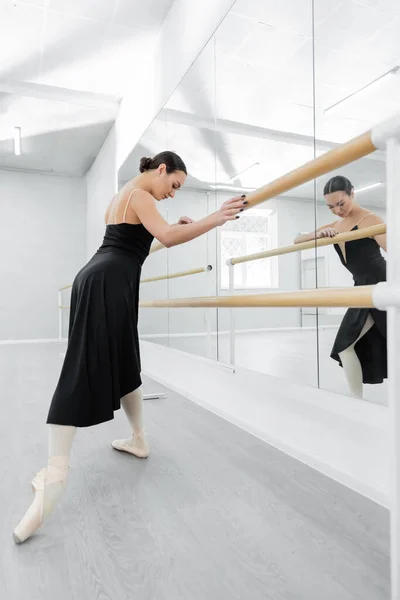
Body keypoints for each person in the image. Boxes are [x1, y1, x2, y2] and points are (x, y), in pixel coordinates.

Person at [13, 150, 247, 544]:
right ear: (161, 170)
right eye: (174, 185)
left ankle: (139, 440)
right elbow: (167, 238)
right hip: (108, 283)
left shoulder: (125, 197)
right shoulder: (141, 196)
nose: (172, 194)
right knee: (80, 371)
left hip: (104, 278)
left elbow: (135, 245)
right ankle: (54, 476)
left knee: (125, 362)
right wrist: (215, 219)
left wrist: (180, 224)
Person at [294, 175, 387, 399]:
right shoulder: (335, 225)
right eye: (331, 206)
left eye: (341, 203)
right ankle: (357, 401)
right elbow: (297, 240)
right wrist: (319, 234)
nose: (337, 210)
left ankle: (357, 401)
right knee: (348, 347)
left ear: (352, 193)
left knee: (348, 345)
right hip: (361, 290)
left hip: (380, 286)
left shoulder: (370, 219)